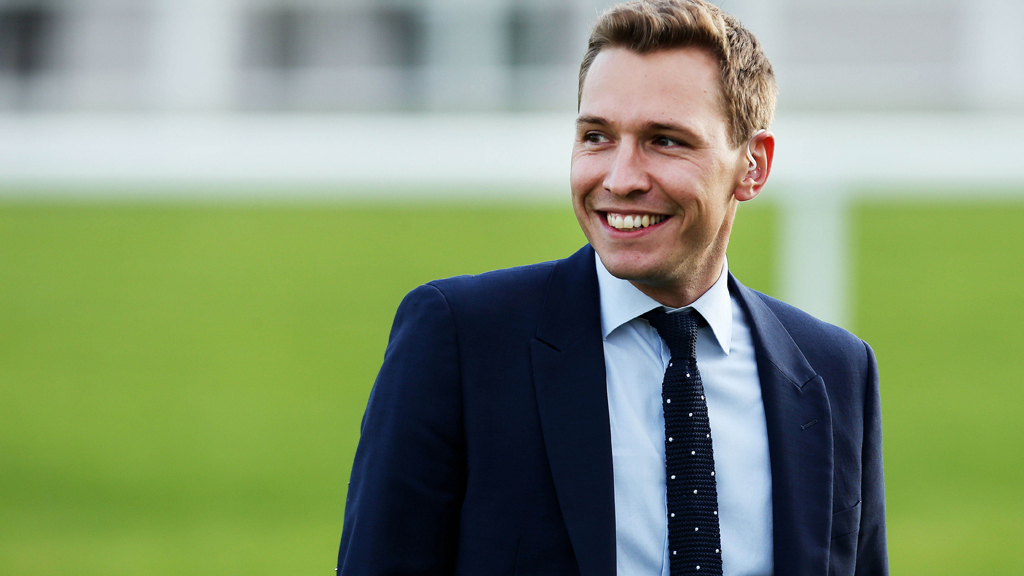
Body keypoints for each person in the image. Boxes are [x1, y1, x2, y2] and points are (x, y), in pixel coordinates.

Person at [337, 0, 887, 575]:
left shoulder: (837, 372)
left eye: (665, 140)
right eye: (597, 136)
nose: (620, 179)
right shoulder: (460, 341)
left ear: (753, 164)